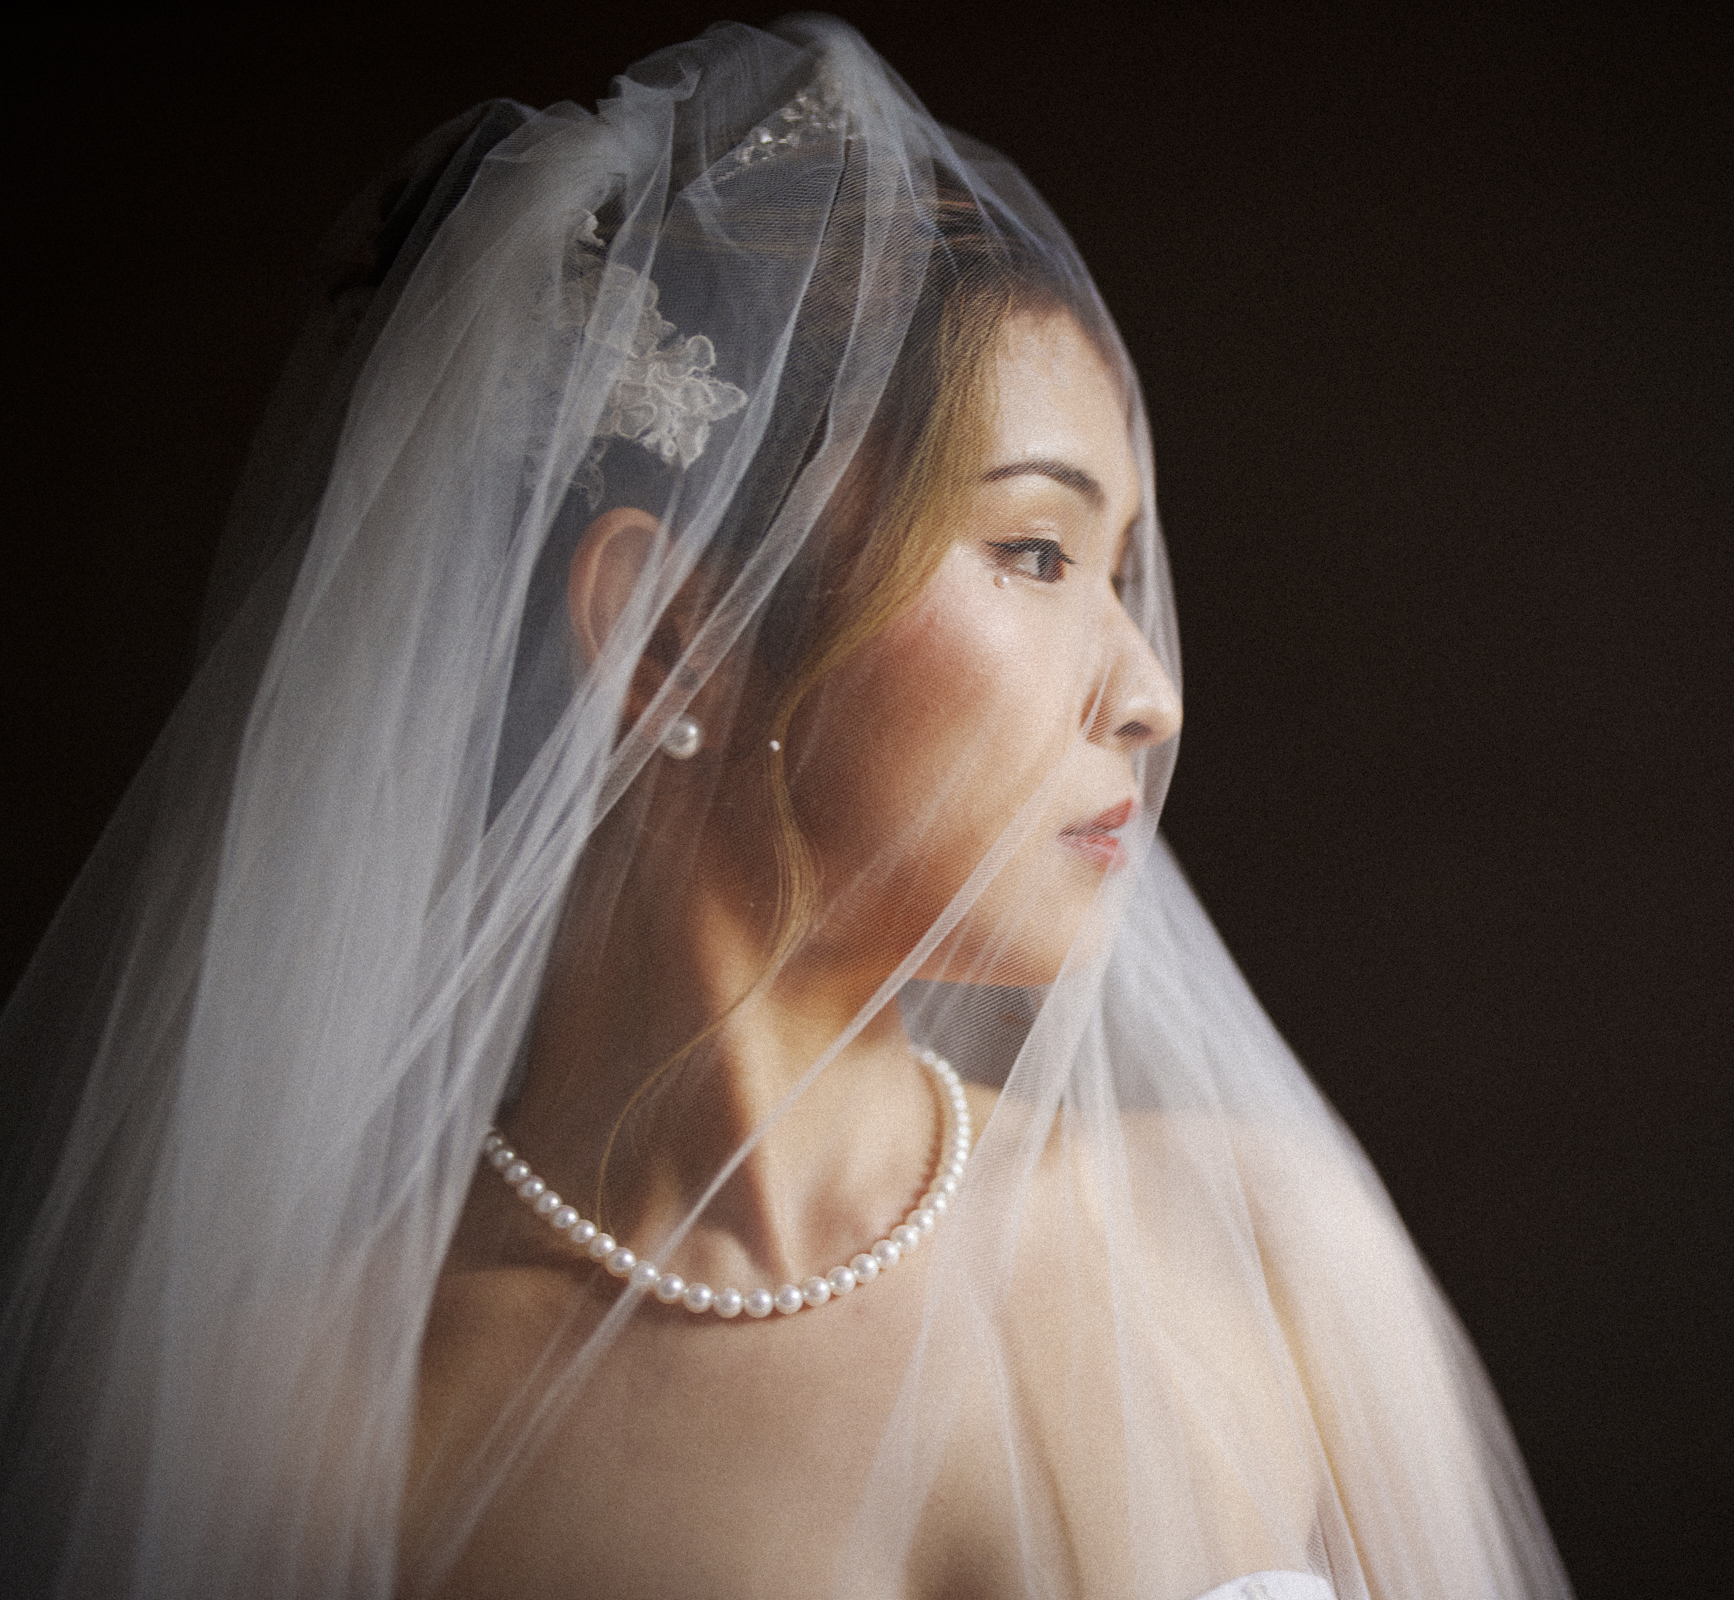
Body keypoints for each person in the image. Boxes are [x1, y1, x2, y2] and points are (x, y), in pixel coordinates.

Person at [0, 17, 1567, 1597]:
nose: (1150, 693)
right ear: (670, 631)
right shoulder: (309, 1426)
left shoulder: (1263, 1255)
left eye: (1119, 570)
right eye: (1034, 551)